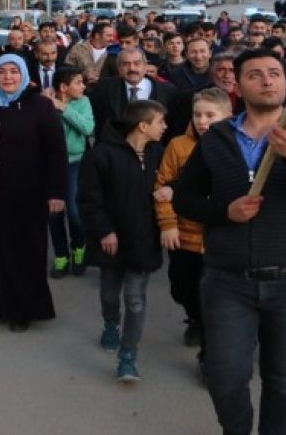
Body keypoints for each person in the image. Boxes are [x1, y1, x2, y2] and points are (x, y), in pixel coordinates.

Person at [173, 49, 286, 435]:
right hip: (228, 280)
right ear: (237, 83)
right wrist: (224, 212)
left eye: (274, 73)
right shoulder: (217, 137)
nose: (267, 80)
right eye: (255, 74)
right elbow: (185, 198)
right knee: (225, 375)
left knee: (284, 379)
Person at [0, 54, 68, 332]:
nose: (8, 77)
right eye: (2, 72)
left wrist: (56, 193)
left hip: (27, 192)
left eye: (13, 72)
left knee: (23, 250)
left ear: (23, 76)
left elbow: (56, 153)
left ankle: (22, 308)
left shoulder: (40, 107)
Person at [79, 100, 168, 382]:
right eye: (160, 122)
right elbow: (89, 199)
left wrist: (171, 189)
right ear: (143, 125)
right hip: (111, 240)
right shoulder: (102, 155)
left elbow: (177, 180)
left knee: (136, 300)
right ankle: (110, 323)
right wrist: (104, 230)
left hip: (143, 240)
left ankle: (128, 356)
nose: (165, 127)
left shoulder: (160, 153)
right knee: (109, 293)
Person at [153, 87, 233, 378]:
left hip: (220, 240)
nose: (202, 121)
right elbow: (162, 186)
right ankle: (196, 318)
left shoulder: (237, 145)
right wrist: (168, 223)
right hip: (184, 236)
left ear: (227, 116)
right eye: (198, 114)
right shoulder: (178, 146)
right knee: (182, 288)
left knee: (214, 299)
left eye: (210, 115)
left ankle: (210, 356)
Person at [49, 67, 95, 278]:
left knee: (75, 211)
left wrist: (63, 108)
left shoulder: (83, 102)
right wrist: (52, 104)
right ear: (63, 87)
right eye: (78, 82)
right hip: (50, 164)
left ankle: (79, 247)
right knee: (54, 212)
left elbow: (87, 128)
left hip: (76, 162)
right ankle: (61, 256)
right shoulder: (45, 103)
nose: (83, 86)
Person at [88, 47, 178, 144]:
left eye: (137, 63)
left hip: (155, 152)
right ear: (119, 68)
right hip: (115, 150)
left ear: (145, 67)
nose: (132, 68)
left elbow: (173, 126)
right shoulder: (103, 89)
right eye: (126, 64)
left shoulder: (168, 91)